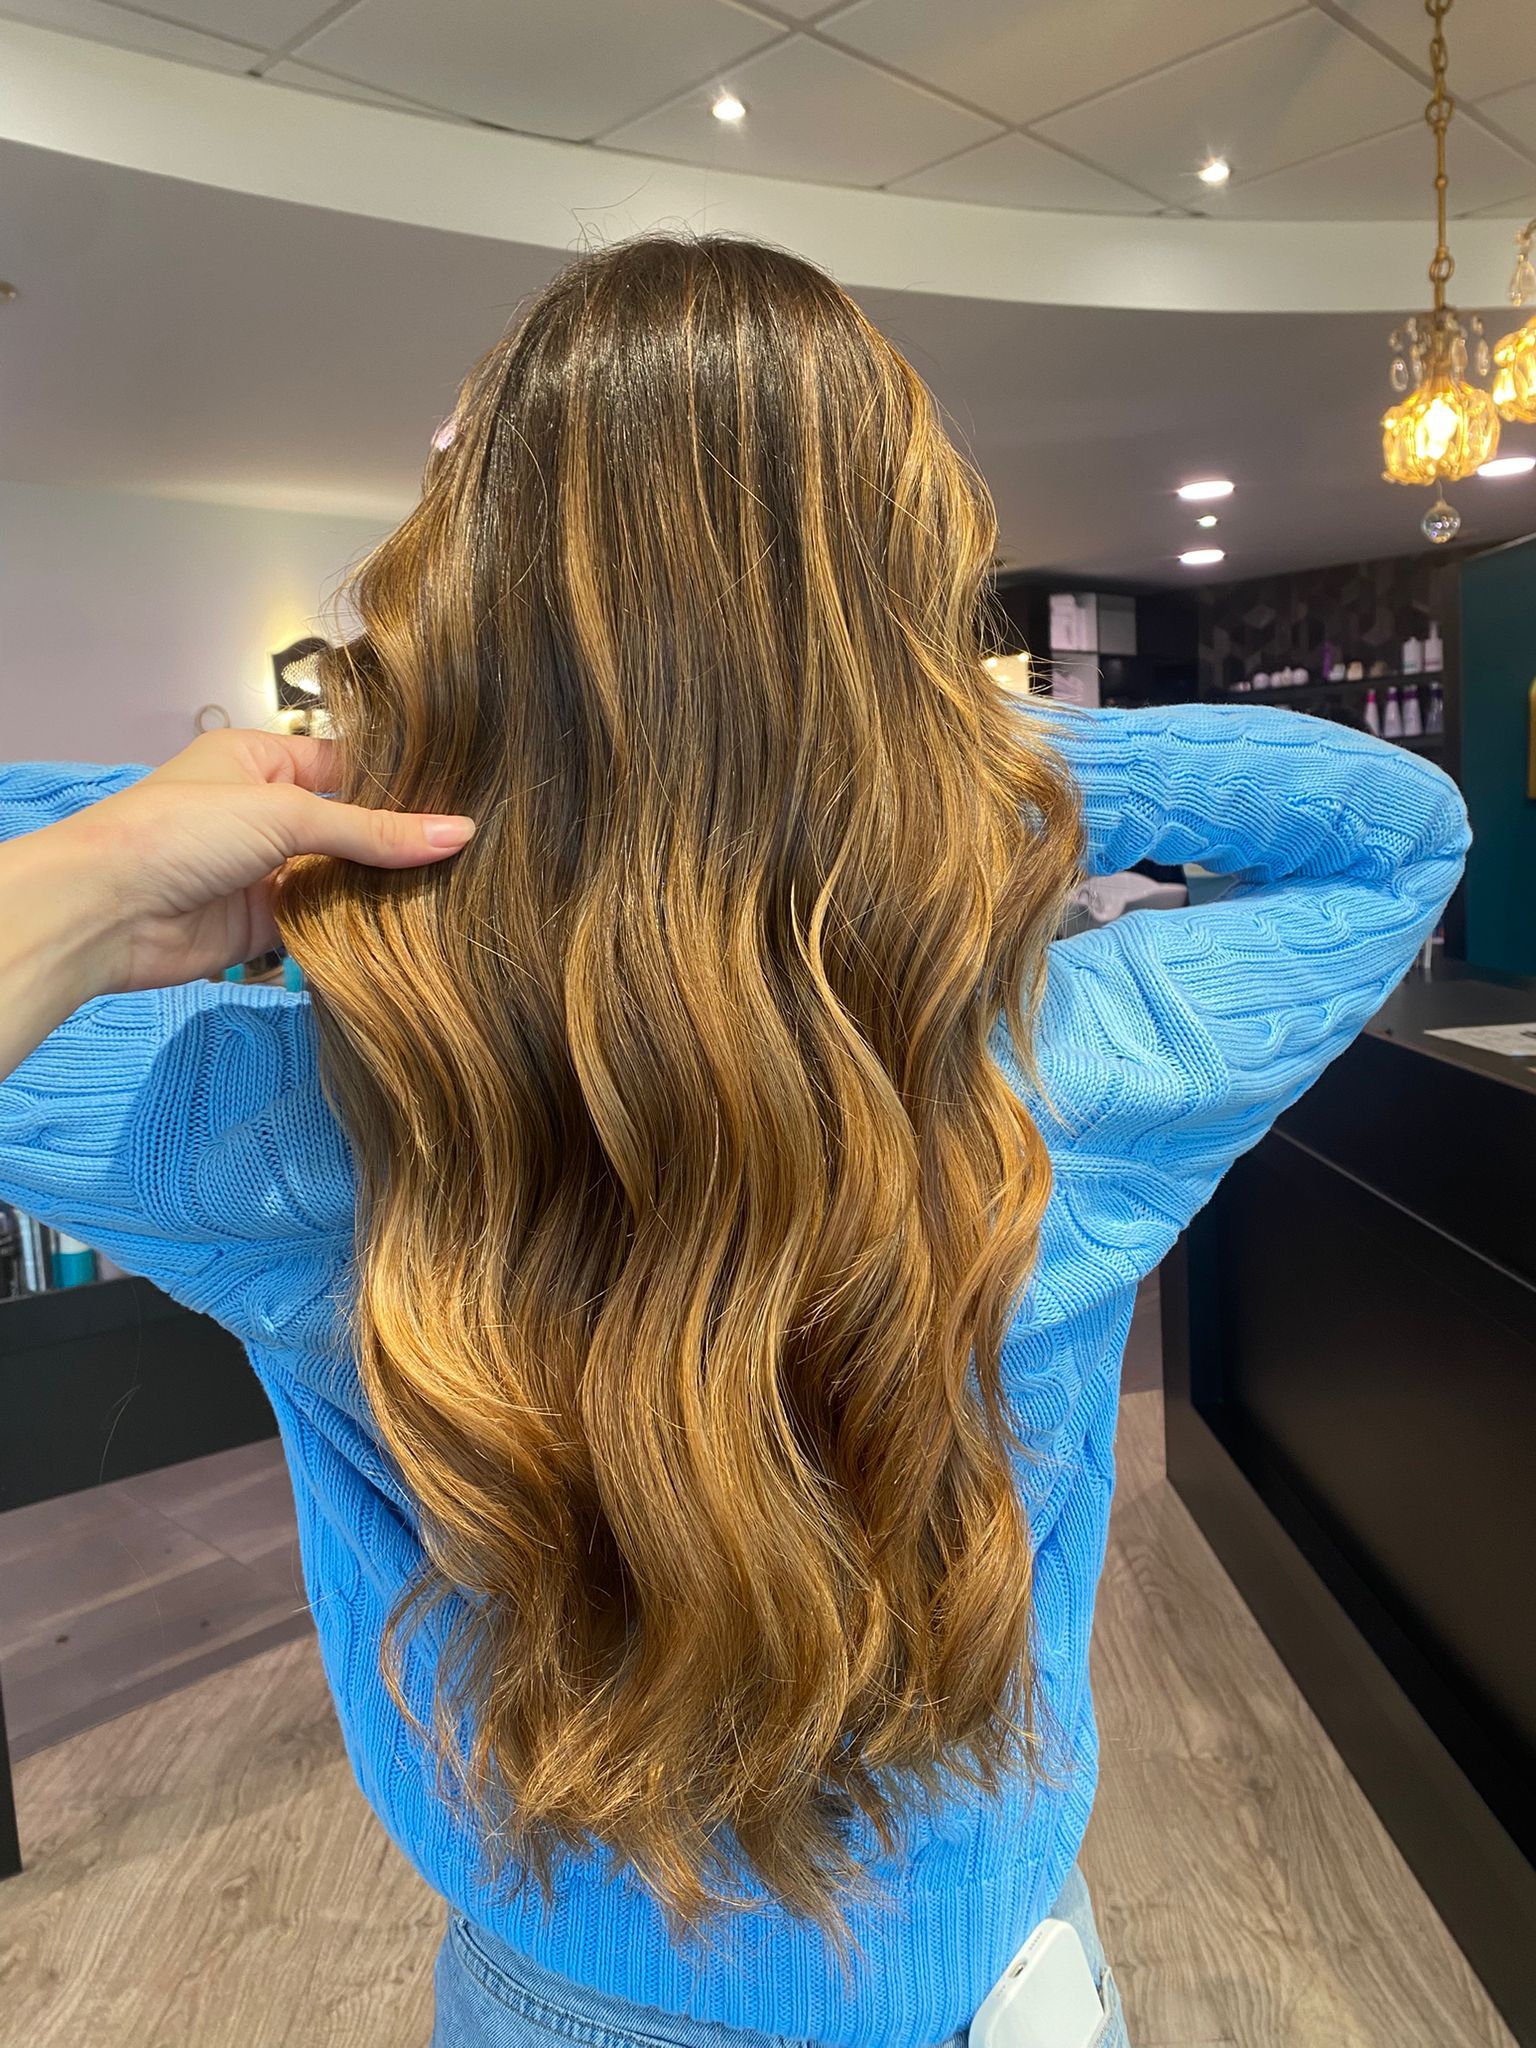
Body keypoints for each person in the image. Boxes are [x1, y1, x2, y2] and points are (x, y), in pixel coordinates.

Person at [0, 236, 1467, 2048]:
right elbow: (1390, 831)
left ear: (454, 593)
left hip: (558, 1998)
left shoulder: (304, 1118)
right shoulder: (1068, 1078)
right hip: (994, 1979)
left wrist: (386, 759)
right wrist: (941, 745)